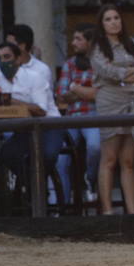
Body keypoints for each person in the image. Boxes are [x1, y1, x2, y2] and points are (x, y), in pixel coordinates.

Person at [91, 4, 134, 215]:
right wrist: (130, 72)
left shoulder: (132, 43)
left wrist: (129, 73)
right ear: (102, 24)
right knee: (109, 158)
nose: (114, 22)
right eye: (108, 19)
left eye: (116, 17)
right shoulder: (97, 46)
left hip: (133, 101)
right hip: (110, 102)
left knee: (128, 160)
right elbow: (106, 71)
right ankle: (107, 212)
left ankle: (132, 212)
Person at [0, 39, 64, 198]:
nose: (3, 62)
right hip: (23, 130)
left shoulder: (35, 77)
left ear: (18, 59)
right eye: (0, 58)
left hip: (49, 127)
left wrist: (11, 101)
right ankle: (29, 191)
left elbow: (41, 110)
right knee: (4, 159)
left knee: (47, 156)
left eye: (7, 57)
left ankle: (34, 192)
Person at [55, 25, 99, 206]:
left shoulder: (100, 62)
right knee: (61, 159)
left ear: (89, 42)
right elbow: (62, 96)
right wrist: (85, 91)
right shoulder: (70, 63)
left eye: (78, 39)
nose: (73, 43)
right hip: (72, 116)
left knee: (95, 147)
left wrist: (75, 88)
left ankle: (90, 179)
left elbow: (99, 94)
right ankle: (63, 204)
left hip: (94, 115)